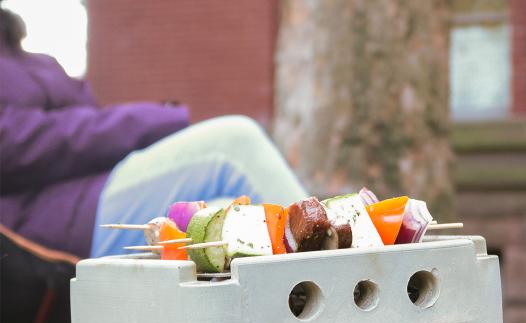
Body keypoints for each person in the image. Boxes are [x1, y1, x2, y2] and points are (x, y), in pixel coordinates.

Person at [0, 5, 307, 261]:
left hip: (88, 192)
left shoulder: (27, 59)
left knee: (233, 217)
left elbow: (81, 123)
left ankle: (320, 312)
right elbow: (18, 141)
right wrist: (151, 121)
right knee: (235, 143)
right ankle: (344, 285)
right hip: (48, 225)